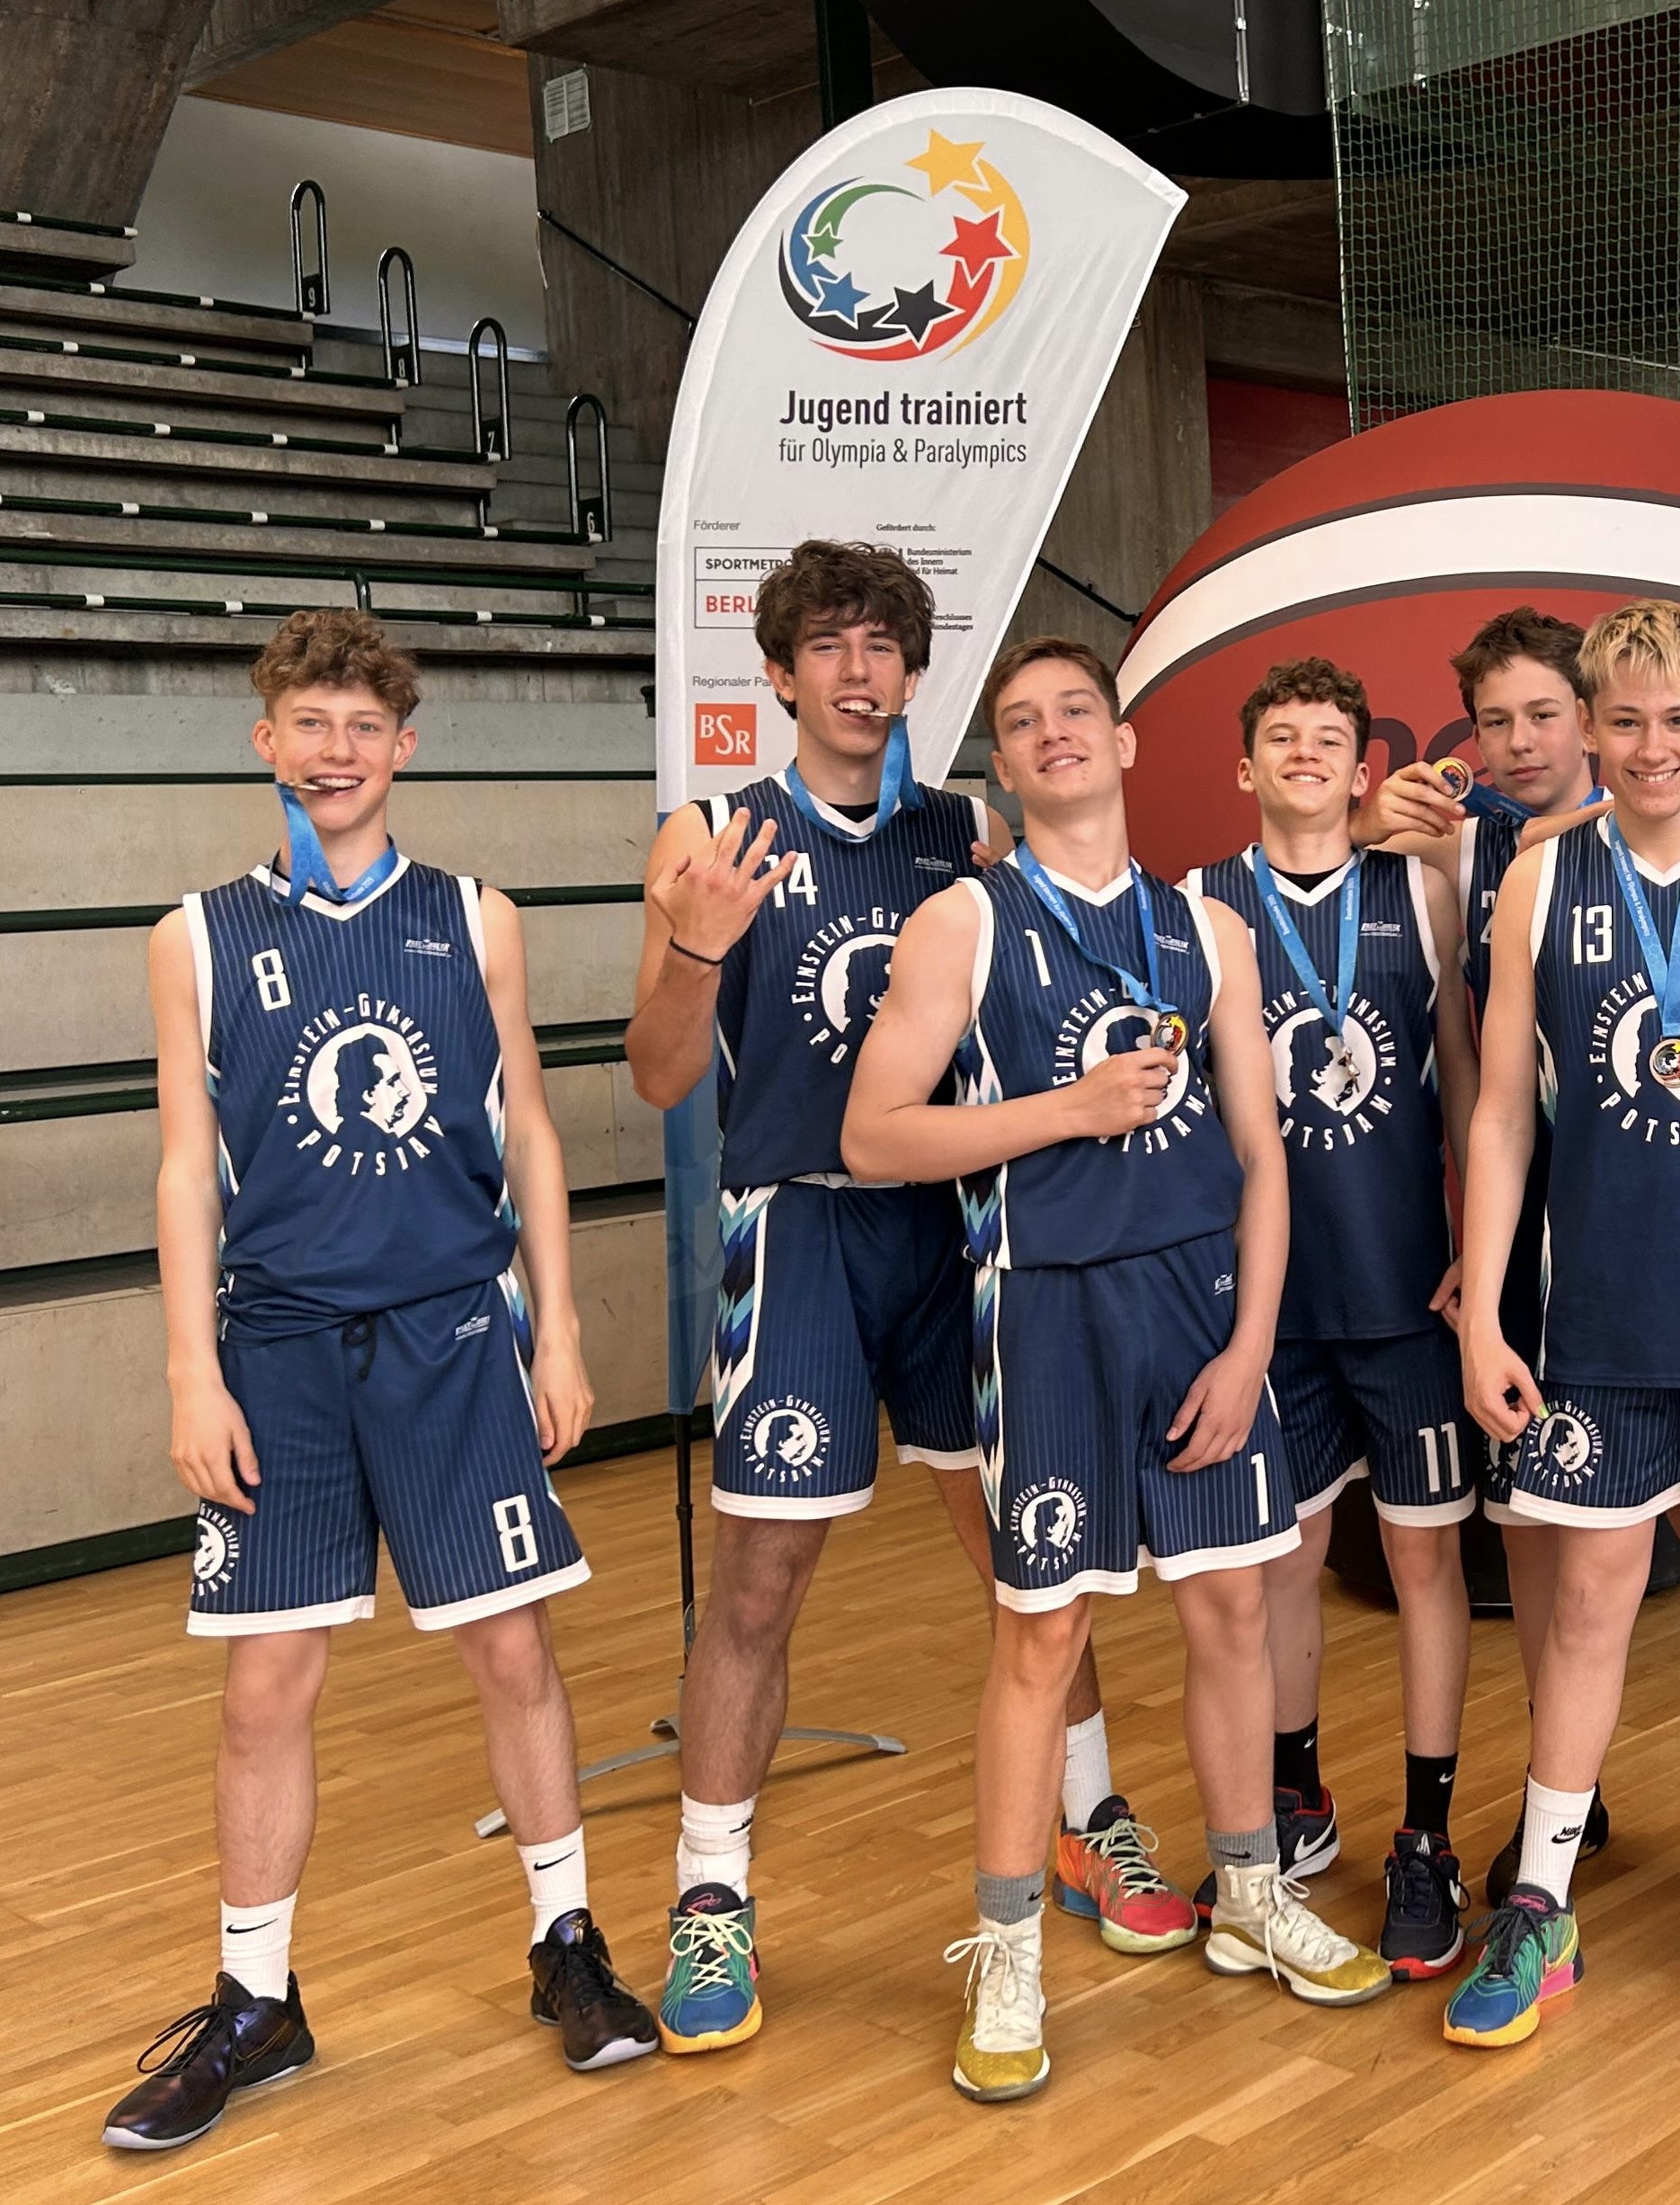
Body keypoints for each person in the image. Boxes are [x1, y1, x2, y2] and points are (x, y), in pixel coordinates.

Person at [626, 545, 1194, 2056]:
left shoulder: (968, 832)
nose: (857, 669)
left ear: (912, 673)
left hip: (960, 1226)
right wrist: (695, 949)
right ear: (780, 671)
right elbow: (662, 1073)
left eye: (881, 643)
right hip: (801, 1227)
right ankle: (709, 1894)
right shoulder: (711, 833)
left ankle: (1086, 1819)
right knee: (760, 1581)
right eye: (827, 643)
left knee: (1031, 1553)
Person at [106, 610, 655, 2152]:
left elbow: (529, 1127)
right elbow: (184, 1168)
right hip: (276, 1348)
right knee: (265, 1683)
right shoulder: (194, 935)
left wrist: (560, 1329)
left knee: (510, 1647)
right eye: (311, 721)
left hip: (453, 1337)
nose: (336, 749)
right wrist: (189, 1370)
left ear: (403, 746)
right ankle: (255, 1999)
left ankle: (565, 1945)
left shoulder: (475, 916)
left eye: (364, 725)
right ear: (265, 740)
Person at [846, 636, 1389, 2103]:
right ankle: (1007, 1947)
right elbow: (874, 1134)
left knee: (1233, 1608)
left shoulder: (1208, 928)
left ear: (1126, 740)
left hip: (1201, 1312)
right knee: (1040, 1637)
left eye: (1075, 710)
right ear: (1003, 764)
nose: (1053, 734)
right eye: (1022, 722)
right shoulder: (964, 920)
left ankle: (1251, 1890)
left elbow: (1263, 1155)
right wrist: (1063, 1109)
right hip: (1046, 1315)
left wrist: (1254, 1345)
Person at [1351, 609, 1680, 1930]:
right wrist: (1481, 1314)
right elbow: (1501, 1112)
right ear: (1593, 726)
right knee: (1586, 1597)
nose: (1651, 746)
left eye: (1677, 718)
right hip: (1600, 1310)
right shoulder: (1535, 882)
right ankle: (1538, 1899)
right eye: (1623, 721)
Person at [1187, 655, 1481, 1978]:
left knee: (1425, 1564)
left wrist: (1474, 1246)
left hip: (1407, 1291)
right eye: (1280, 736)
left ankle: (1426, 1832)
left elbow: (1467, 1078)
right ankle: (1296, 1794)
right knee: (1281, 1565)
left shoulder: (1419, 889)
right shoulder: (1198, 906)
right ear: (1244, 765)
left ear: (1365, 768)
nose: (1304, 753)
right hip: (1272, 1306)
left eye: (1328, 737)